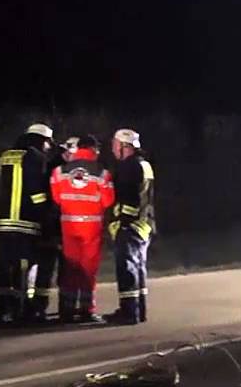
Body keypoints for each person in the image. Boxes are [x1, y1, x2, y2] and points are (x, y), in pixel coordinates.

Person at [0, 123, 54, 322]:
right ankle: (20, 310)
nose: (48, 147)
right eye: (47, 143)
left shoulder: (6, 156)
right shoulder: (35, 158)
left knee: (4, 266)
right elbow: (36, 193)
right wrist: (47, 216)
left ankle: (1, 309)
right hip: (25, 222)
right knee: (23, 267)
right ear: (40, 140)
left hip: (4, 222)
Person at [51, 134, 115, 322]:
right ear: (93, 149)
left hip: (68, 225)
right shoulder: (101, 172)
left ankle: (68, 310)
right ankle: (87, 309)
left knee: (70, 267)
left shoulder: (59, 171)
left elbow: (56, 198)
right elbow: (108, 200)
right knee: (88, 269)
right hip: (91, 227)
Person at [104, 128, 155, 325]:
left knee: (127, 269)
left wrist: (123, 222)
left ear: (124, 146)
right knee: (138, 268)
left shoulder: (129, 166)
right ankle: (139, 309)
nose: (113, 150)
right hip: (145, 224)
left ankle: (128, 312)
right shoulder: (145, 164)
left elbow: (130, 197)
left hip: (131, 226)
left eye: (115, 146)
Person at [31, 137, 75, 320]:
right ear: (66, 152)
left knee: (54, 270)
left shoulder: (54, 168)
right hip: (54, 227)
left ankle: (42, 308)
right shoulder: (56, 170)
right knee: (48, 270)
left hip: (56, 227)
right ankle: (47, 308)